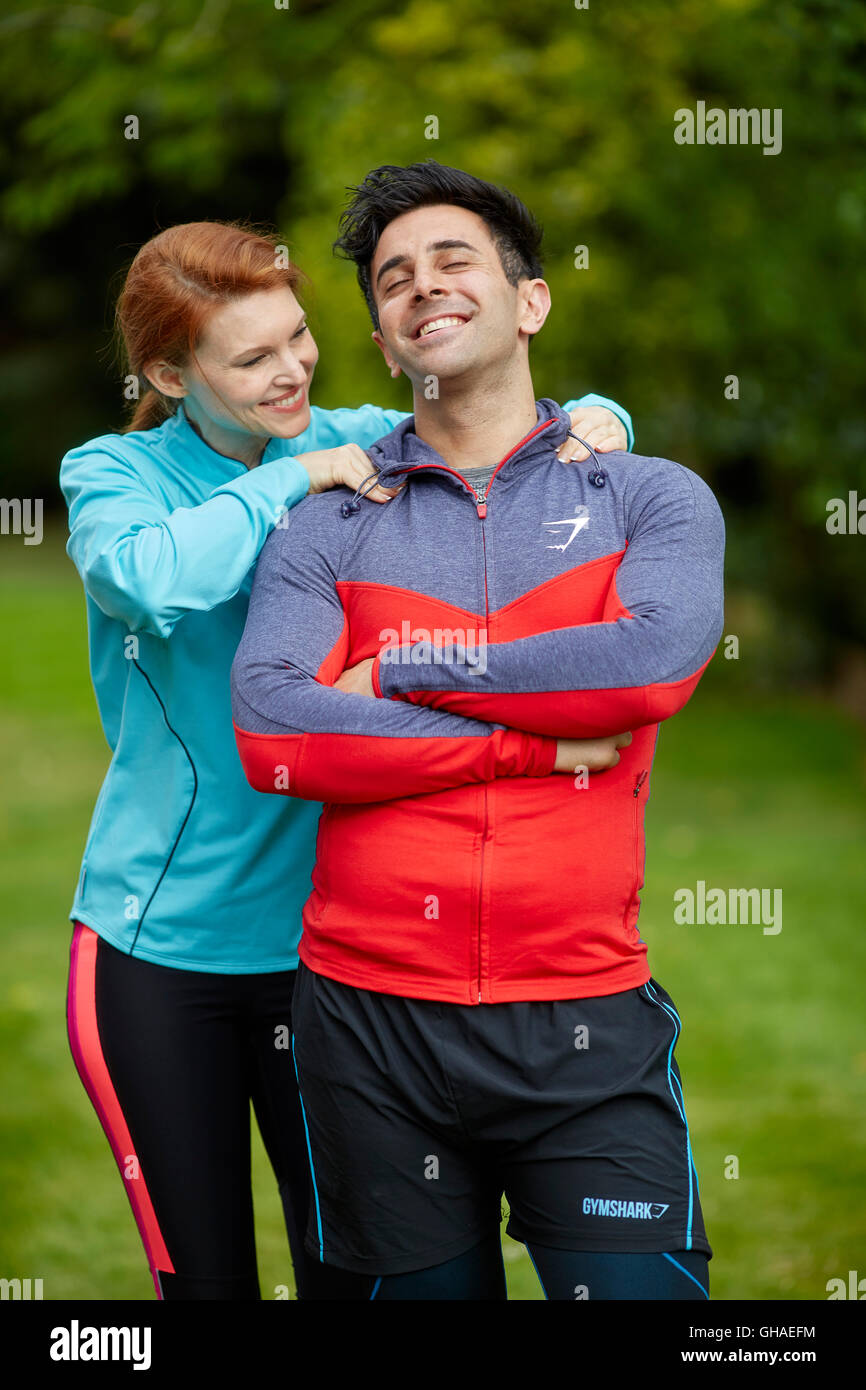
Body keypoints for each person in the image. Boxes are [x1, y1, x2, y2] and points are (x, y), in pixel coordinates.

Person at [61, 216, 633, 1300]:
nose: (289, 374)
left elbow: (501, 420)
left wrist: (597, 419)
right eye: (250, 358)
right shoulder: (115, 472)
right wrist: (290, 478)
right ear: (168, 373)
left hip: (331, 960)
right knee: (206, 1284)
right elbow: (140, 578)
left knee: (349, 1274)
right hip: (156, 954)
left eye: (297, 339)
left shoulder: (354, 430)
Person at [231, 161, 725, 1301]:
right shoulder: (327, 524)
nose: (422, 286)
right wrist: (534, 742)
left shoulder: (650, 496)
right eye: (394, 278)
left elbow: (645, 664)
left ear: (529, 301)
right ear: (384, 339)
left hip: (586, 1023)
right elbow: (274, 731)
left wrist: (400, 668)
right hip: (366, 1026)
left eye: (453, 261)